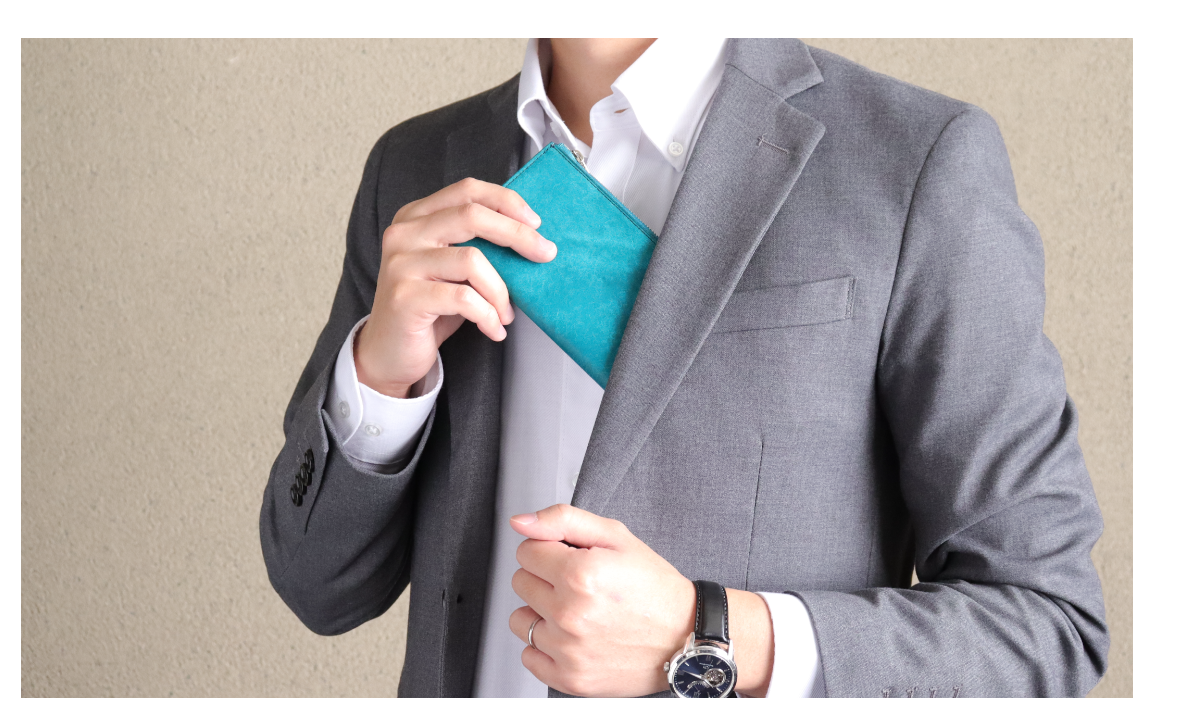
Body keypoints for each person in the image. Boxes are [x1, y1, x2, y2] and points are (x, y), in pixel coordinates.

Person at [259, 38, 1108, 697]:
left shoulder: (913, 161)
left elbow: (1047, 626)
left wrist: (710, 638)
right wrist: (379, 381)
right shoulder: (416, 168)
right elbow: (318, 587)